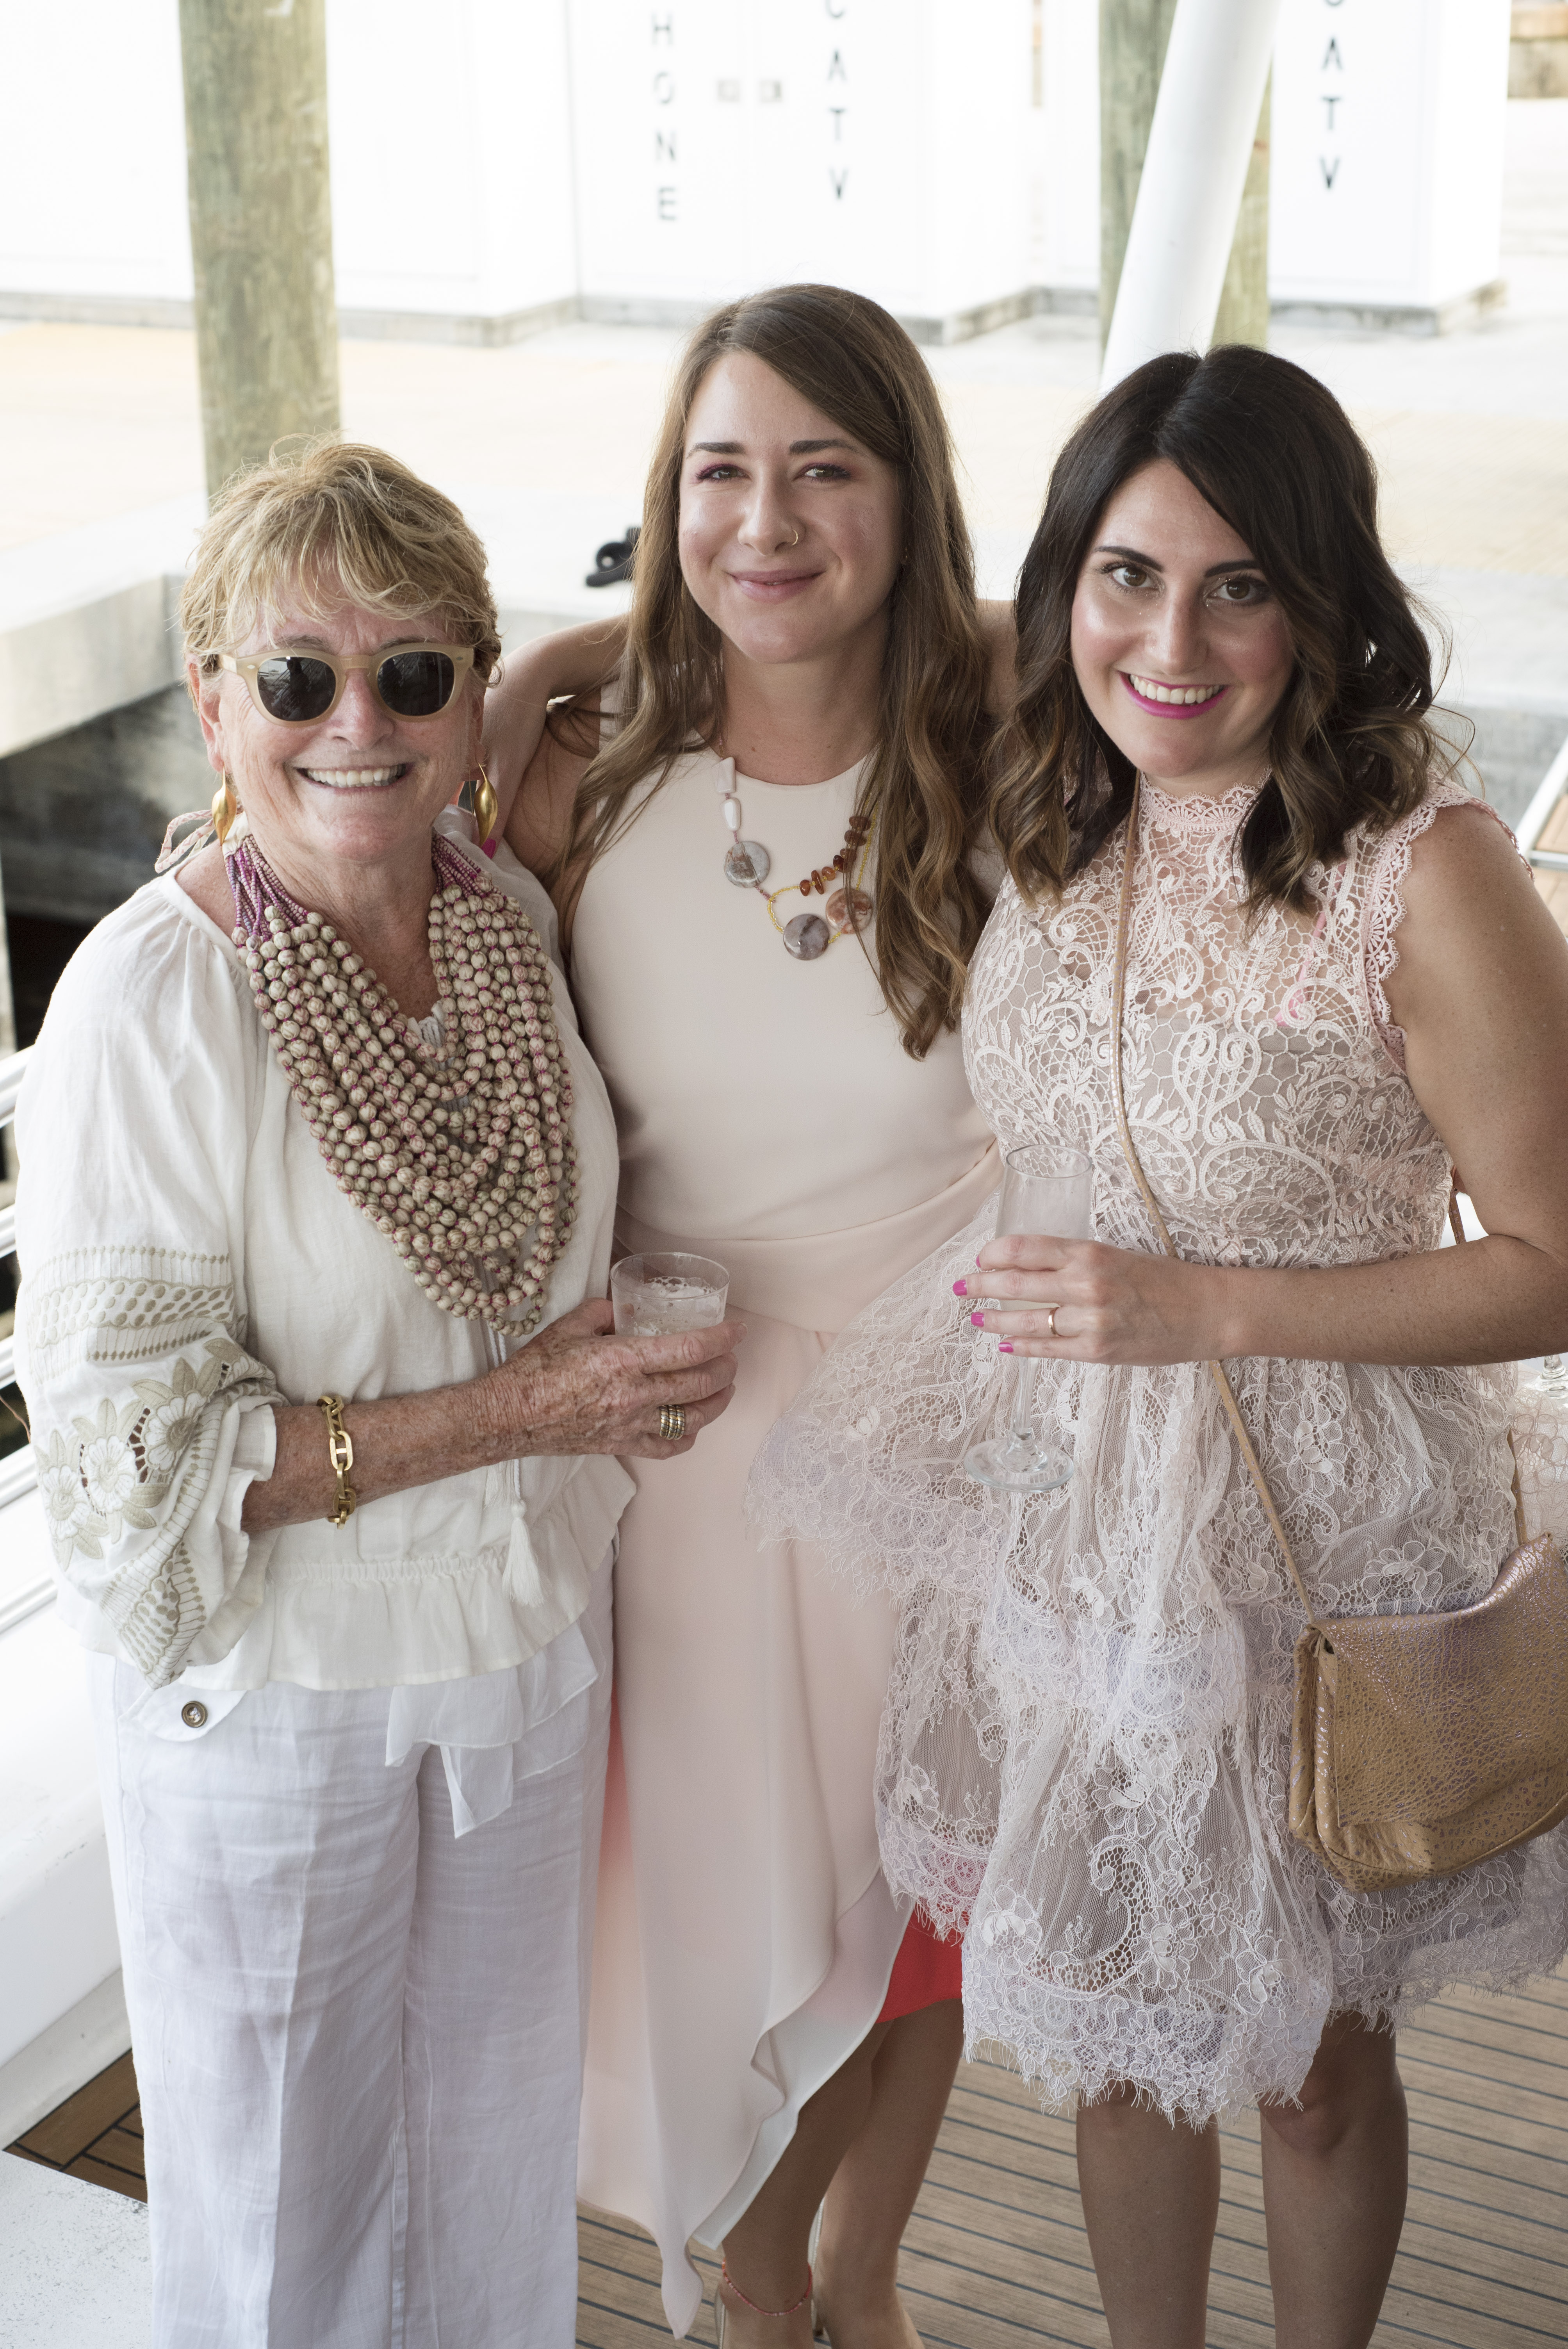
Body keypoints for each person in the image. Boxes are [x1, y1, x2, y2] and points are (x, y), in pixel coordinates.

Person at [748, 346, 1568, 2349]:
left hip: (1319, 1547)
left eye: (1237, 587)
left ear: (1320, 598)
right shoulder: (1051, 793)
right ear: (1064, 587)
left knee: (1306, 2065)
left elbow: (1556, 1262)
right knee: (1115, 2040)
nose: (1170, 644)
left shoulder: (1424, 871)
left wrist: (1210, 1310)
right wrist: (526, 674)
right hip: (1077, 1528)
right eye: (1125, 576)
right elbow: (806, 607)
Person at [13, 440, 741, 2349]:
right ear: (210, 706)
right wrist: (521, 1412)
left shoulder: (508, 922)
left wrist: (603, 1386)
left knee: (492, 2190)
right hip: (286, 1699)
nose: (358, 723)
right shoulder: (149, 1005)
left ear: (471, 696)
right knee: (281, 2230)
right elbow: (133, 1470)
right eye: (296, 676)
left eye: (414, 673)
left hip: (519, 1662)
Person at [481, 284, 1002, 2344]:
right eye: (720, 472)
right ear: (667, 494)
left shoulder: (1011, 761)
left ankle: (863, 2272)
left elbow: (1140, 651)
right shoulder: (580, 777)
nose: (764, 521)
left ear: (906, 495)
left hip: (952, 1438)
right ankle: (777, 2283)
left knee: (917, 1917)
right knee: (731, 1919)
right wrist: (547, 662)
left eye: (821, 470)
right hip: (688, 1446)